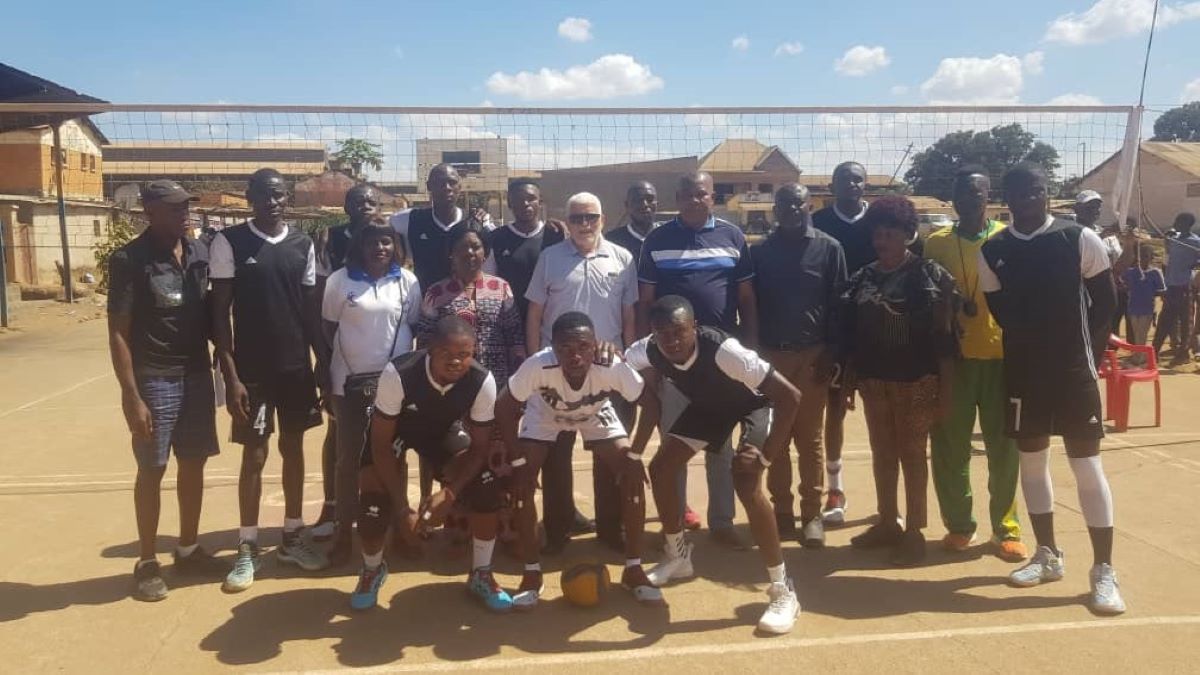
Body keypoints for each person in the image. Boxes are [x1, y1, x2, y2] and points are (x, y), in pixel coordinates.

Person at [979, 163, 1125, 615]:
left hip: (1072, 373)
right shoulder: (993, 249)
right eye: (1021, 194)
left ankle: (1103, 570)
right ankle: (1048, 555)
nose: (1029, 201)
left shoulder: (1078, 238)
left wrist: (1089, 354)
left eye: (1038, 192)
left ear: (1049, 194)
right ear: (1008, 198)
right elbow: (999, 309)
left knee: (1086, 466)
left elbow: (1106, 302)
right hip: (1024, 374)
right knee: (1033, 464)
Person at [627, 295, 802, 634]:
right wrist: (603, 354)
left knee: (748, 483)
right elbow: (617, 365)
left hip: (751, 405)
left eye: (679, 331)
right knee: (661, 468)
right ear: (652, 333)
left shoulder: (726, 351)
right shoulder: (646, 350)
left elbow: (790, 396)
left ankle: (784, 591)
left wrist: (766, 456)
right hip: (710, 407)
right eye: (663, 333)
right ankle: (678, 556)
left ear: (695, 327)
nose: (672, 341)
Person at [210, 168, 329, 592]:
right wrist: (231, 373)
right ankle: (247, 546)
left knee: (294, 448)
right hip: (253, 373)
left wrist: (322, 362)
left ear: (288, 197)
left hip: (295, 368)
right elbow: (219, 315)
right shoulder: (230, 243)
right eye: (264, 195)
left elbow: (311, 313)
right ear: (249, 198)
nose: (273, 202)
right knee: (255, 455)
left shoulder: (302, 244)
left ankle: (292, 536)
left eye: (279, 195)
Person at [496, 312, 663, 609]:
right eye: (566, 348)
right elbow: (503, 407)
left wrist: (635, 456)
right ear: (553, 347)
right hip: (545, 416)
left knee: (632, 476)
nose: (575, 355)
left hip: (595, 413)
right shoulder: (538, 365)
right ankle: (532, 574)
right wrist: (518, 462)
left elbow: (650, 405)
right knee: (521, 486)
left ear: (595, 344)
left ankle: (634, 570)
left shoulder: (610, 365)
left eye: (583, 347)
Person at [107, 180, 223, 601]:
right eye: (174, 208)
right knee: (152, 469)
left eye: (185, 207)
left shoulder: (198, 252)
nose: (183, 214)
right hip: (154, 377)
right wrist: (131, 394)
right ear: (150, 210)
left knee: (193, 464)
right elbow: (118, 332)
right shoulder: (129, 259)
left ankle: (188, 549)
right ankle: (146, 561)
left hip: (195, 375)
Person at [350, 316, 512, 611]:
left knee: (486, 482)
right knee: (373, 499)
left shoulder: (481, 380)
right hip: (398, 433)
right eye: (447, 354)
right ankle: (372, 569)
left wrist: (449, 495)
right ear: (429, 350)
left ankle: (481, 573)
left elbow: (479, 449)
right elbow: (381, 445)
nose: (456, 362)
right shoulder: (398, 374)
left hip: (442, 433)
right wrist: (401, 509)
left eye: (464, 355)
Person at [636, 171, 757, 548]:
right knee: (674, 443)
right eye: (687, 194)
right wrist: (653, 360)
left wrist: (749, 349)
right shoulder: (657, 240)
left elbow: (747, 299)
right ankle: (676, 521)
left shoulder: (733, 236)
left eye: (701, 194)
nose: (694, 200)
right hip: (674, 359)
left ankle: (722, 522)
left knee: (720, 445)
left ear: (712, 197)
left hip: (721, 359)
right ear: (677, 197)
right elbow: (645, 303)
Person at [840, 195, 957, 566]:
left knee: (912, 455)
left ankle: (915, 532)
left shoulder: (931, 276)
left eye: (890, 233)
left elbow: (946, 337)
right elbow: (852, 337)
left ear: (908, 234)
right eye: (877, 234)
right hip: (874, 382)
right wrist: (848, 381)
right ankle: (887, 521)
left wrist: (947, 391)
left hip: (918, 382)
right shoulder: (863, 278)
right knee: (882, 454)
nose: (882, 241)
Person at [923, 167, 1026, 562]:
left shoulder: (1007, 237)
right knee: (950, 447)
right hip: (955, 361)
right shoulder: (936, 243)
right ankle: (959, 525)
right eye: (964, 191)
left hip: (1002, 358)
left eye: (978, 192)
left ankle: (1007, 529)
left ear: (989, 197)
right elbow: (928, 298)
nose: (971, 198)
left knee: (1005, 449)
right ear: (953, 197)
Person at [525, 193, 637, 553]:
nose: (584, 225)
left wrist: (630, 361)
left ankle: (610, 528)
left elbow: (629, 314)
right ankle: (557, 531)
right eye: (577, 219)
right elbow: (535, 314)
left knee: (609, 457)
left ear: (603, 219)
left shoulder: (622, 258)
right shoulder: (550, 258)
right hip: (557, 372)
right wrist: (534, 363)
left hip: (607, 372)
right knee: (556, 457)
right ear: (567, 221)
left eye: (591, 217)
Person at [752, 183, 846, 548]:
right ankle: (782, 513)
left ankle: (811, 515)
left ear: (809, 206)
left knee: (810, 439)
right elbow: (752, 306)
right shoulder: (760, 253)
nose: (791, 209)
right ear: (775, 209)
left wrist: (831, 353)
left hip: (812, 356)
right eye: (784, 204)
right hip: (771, 357)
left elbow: (839, 305)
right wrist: (756, 357)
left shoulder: (829, 248)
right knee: (776, 439)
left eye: (798, 203)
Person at [321, 221, 420, 565]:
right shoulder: (339, 281)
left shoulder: (407, 281)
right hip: (348, 383)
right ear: (359, 247)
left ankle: (398, 527)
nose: (380, 248)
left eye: (386, 242)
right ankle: (342, 533)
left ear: (396, 246)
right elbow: (328, 328)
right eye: (373, 242)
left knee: (395, 456)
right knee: (348, 460)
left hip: (396, 384)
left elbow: (413, 324)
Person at [311, 184, 384, 542]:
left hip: (381, 354)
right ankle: (332, 505)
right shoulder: (331, 238)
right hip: (343, 350)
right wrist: (324, 358)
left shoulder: (389, 236)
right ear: (347, 207)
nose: (366, 207)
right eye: (359, 202)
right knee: (337, 431)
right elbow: (321, 305)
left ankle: (378, 506)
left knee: (383, 434)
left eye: (372, 201)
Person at [811, 161, 871, 528]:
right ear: (832, 185)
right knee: (833, 409)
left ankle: (888, 500)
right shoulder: (818, 224)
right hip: (836, 331)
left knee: (883, 413)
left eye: (858, 178)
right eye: (845, 179)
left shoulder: (880, 220)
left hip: (878, 331)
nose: (852, 183)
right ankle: (835, 488)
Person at [417, 221, 524, 383]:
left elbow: (515, 338)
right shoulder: (436, 293)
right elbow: (424, 342)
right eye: (462, 247)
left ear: (485, 253)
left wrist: (517, 381)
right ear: (451, 253)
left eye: (476, 247)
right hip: (451, 380)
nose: (469, 252)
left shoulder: (501, 288)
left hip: (495, 379)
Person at [388, 164, 469, 292]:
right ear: (429, 186)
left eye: (452, 182)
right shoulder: (409, 219)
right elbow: (377, 231)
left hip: (465, 304)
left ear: (460, 187)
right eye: (440, 182)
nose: (447, 187)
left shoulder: (473, 223)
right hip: (424, 301)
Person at [1074, 191, 1129, 335]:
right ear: (1077, 209)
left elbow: (1118, 264)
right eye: (1089, 207)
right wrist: (1100, 237)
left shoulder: (1108, 236)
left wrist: (1130, 245)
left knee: (1109, 329)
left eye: (1097, 207)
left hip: (1107, 290)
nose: (1095, 211)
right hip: (1083, 293)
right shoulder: (1069, 232)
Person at [1152, 213, 1200, 365]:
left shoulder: (1195, 242)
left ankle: (1183, 354)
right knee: (1165, 320)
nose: (1175, 223)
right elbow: (1168, 255)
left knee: (1186, 322)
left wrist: (1193, 265)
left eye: (1179, 221)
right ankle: (1153, 352)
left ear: (1188, 224)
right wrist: (1167, 240)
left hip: (1185, 286)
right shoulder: (1174, 238)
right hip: (1171, 286)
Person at [1123, 244, 1166, 364]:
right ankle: (1139, 356)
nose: (1143, 258)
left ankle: (1140, 358)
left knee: (1142, 334)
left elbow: (1162, 290)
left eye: (1146, 256)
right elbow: (1123, 284)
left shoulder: (1155, 273)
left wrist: (1152, 292)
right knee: (1137, 335)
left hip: (1147, 309)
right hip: (1133, 308)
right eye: (1141, 256)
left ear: (1151, 257)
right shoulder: (1131, 272)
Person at [606, 181, 660, 264]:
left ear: (657, 204)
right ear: (627, 206)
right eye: (638, 200)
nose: (645, 204)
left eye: (649, 199)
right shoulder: (612, 241)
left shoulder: (669, 237)